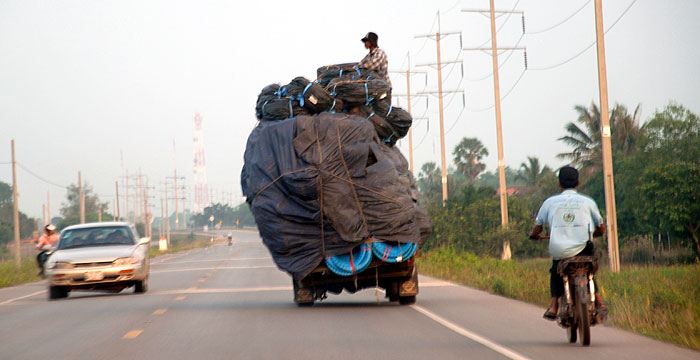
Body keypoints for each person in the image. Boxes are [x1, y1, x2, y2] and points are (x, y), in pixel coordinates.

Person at [529, 166, 607, 320]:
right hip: (584, 247)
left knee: (555, 270)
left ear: (559, 183)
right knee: (588, 269)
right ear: (578, 182)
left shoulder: (550, 202)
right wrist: (597, 233)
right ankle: (600, 301)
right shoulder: (587, 201)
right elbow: (600, 226)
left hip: (560, 249)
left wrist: (534, 235)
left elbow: (538, 226)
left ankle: (554, 305)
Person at [358, 32, 391, 102]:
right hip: (374, 89)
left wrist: (362, 68)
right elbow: (359, 65)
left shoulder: (380, 53)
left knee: (382, 109)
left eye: (366, 41)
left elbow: (372, 66)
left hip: (384, 88)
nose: (365, 43)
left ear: (371, 42)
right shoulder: (368, 56)